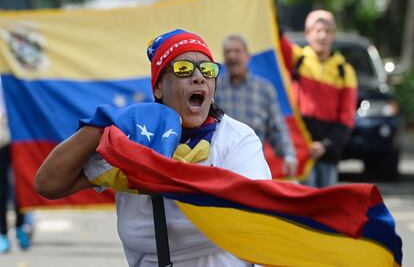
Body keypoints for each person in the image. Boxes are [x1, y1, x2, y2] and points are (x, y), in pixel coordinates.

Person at [35, 29, 271, 267]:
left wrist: (170, 175)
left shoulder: (236, 139)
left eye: (208, 70)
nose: (199, 77)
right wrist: (101, 126)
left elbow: (262, 225)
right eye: (183, 69)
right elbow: (48, 184)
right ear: (158, 88)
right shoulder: (131, 140)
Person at [280, 9, 357, 187]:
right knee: (302, 207)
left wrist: (325, 146)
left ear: (333, 36)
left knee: (325, 207)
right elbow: (275, 31)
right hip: (300, 149)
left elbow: (346, 118)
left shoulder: (345, 70)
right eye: (317, 30)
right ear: (307, 34)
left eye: (327, 31)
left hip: (328, 153)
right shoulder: (296, 59)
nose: (322, 36)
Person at [215, 35, 297, 178]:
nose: (232, 56)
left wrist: (289, 155)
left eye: (237, 51)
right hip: (219, 167)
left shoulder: (264, 89)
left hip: (253, 166)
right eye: (228, 52)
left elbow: (277, 128)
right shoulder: (214, 89)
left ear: (247, 57)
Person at [0, 83, 31, 253]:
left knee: (21, 184)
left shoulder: (12, 75)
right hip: (2, 138)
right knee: (2, 189)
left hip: (21, 137)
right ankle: (3, 233)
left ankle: (21, 225)